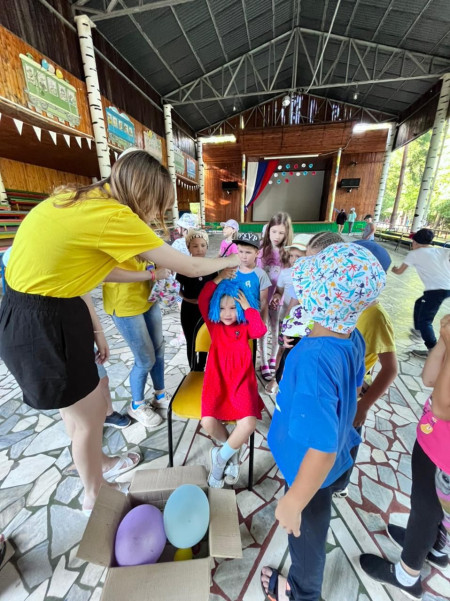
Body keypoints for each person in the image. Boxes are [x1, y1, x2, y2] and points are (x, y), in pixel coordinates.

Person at [0, 150, 240, 513]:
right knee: (89, 416)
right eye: (157, 204)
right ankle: (94, 494)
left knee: (81, 407)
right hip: (45, 323)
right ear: (145, 194)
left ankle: (100, 466)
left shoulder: (76, 199)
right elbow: (190, 266)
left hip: (38, 312)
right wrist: (232, 259)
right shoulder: (114, 215)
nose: (155, 214)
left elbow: (92, 269)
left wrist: (99, 325)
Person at [261, 243, 386, 601]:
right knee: (324, 495)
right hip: (334, 455)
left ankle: (304, 593)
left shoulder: (313, 360)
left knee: (307, 539)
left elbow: (322, 449)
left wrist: (294, 502)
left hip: (309, 471)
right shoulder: (351, 337)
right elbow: (353, 389)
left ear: (315, 300)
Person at [360, 314, 450, 599]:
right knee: (429, 509)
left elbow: (442, 408)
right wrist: (443, 341)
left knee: (426, 509)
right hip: (434, 443)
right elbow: (429, 378)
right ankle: (434, 547)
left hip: (444, 457)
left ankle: (407, 574)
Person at [198, 271, 267, 488]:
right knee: (207, 422)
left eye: (232, 308)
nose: (226, 314)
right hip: (216, 381)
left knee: (248, 423)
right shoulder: (214, 325)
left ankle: (220, 459)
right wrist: (219, 277)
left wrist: (248, 308)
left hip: (241, 382)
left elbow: (259, 330)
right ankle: (232, 451)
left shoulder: (244, 326)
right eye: (221, 308)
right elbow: (203, 298)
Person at [102, 258, 173, 427]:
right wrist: (153, 274)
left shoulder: (144, 239)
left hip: (148, 297)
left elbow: (158, 254)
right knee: (145, 360)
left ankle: (160, 395)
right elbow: (104, 273)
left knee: (158, 350)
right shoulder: (111, 241)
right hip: (124, 304)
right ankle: (137, 405)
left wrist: (161, 265)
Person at [392, 228, 450, 358]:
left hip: (436, 290)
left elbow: (399, 271)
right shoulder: (440, 250)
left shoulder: (415, 254)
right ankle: (418, 330)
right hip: (447, 288)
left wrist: (393, 269)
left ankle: (432, 349)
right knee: (419, 303)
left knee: (425, 321)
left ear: (415, 242)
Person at [265, 235, 311, 393]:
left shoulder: (313, 276)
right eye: (291, 256)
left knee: (299, 353)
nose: (294, 259)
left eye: (299, 256)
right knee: (282, 348)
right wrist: (277, 297)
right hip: (285, 319)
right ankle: (275, 378)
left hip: (305, 325)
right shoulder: (285, 273)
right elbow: (278, 291)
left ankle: (292, 381)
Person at [257, 212, 293, 381]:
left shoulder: (288, 254)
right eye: (274, 231)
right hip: (263, 299)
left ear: (287, 233)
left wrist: (279, 296)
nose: (277, 236)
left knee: (276, 329)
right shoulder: (261, 252)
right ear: (268, 231)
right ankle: (263, 361)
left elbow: (287, 279)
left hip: (280, 300)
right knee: (262, 329)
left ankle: (273, 357)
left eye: (281, 233)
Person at [176, 229, 217, 369]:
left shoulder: (212, 267)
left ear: (207, 247)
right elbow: (177, 288)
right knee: (191, 340)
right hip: (189, 309)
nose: (199, 249)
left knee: (205, 338)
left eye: (203, 245)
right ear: (188, 248)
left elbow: (215, 287)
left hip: (206, 310)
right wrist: (188, 299)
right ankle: (193, 369)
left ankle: (202, 366)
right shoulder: (184, 267)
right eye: (195, 246)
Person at [234, 232, 271, 324]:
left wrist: (262, 323)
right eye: (241, 251)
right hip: (235, 319)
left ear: (257, 253)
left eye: (248, 252)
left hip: (253, 319)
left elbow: (264, 302)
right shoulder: (232, 273)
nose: (243, 256)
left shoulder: (261, 275)